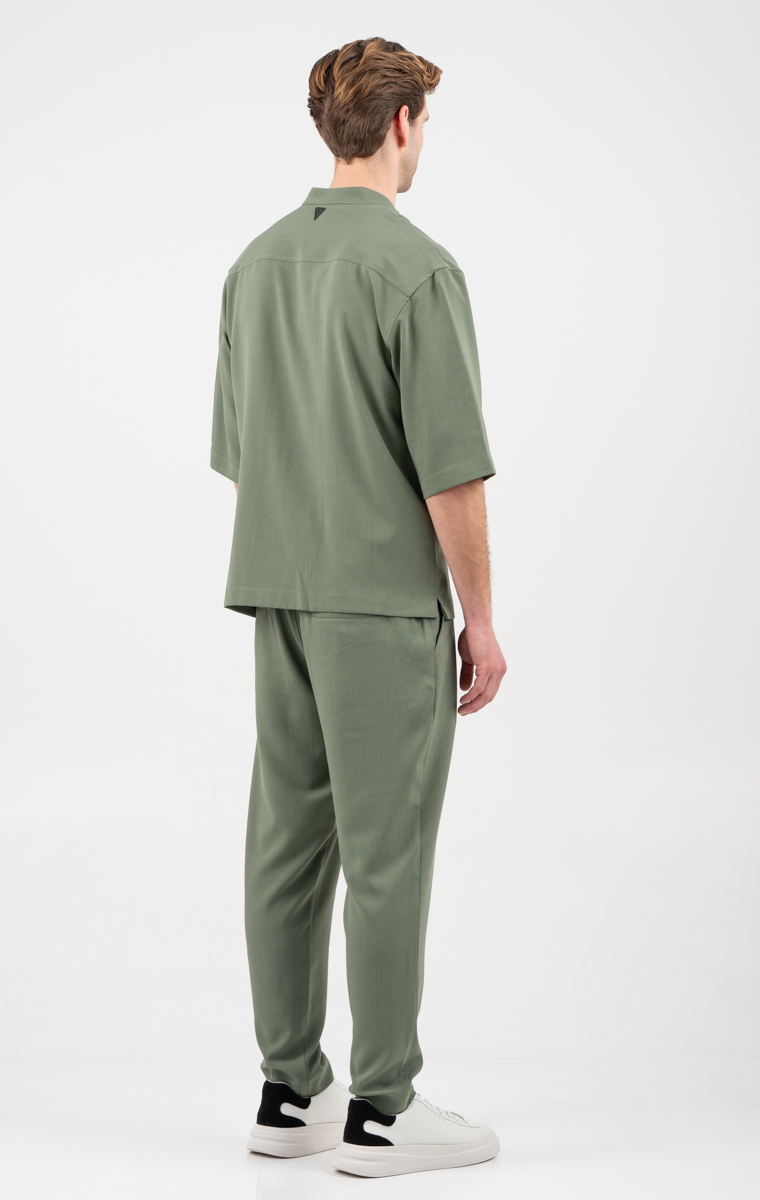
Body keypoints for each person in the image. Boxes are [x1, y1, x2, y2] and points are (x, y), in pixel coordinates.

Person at [210, 36, 507, 1178]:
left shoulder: (254, 267)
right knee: (388, 851)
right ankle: (384, 1105)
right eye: (423, 123)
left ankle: (291, 1091)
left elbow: (243, 452)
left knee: (286, 844)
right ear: (399, 124)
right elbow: (452, 473)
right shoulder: (416, 270)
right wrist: (479, 620)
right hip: (380, 606)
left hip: (278, 592)